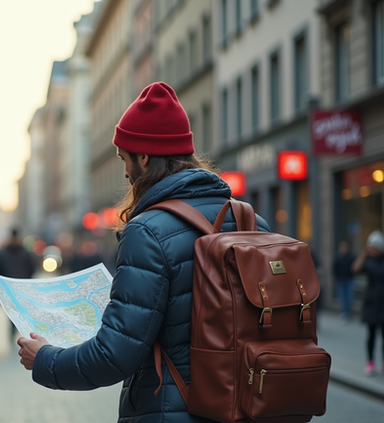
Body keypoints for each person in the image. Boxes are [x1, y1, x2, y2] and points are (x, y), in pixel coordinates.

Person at [17, 82, 270, 422]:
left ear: (145, 157)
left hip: (175, 410)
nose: (124, 171)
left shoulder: (147, 231)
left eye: (124, 158)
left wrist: (46, 359)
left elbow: (113, 355)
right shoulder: (251, 221)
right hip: (249, 406)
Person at [351, 230, 384, 377]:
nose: (371, 248)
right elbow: (355, 269)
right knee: (371, 334)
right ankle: (370, 362)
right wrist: (364, 253)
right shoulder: (368, 260)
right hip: (371, 301)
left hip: (383, 301)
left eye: (373, 246)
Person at [1, 228, 36, 337]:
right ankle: (16, 328)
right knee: (18, 309)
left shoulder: (4, 253)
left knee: (13, 309)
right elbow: (32, 269)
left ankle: (13, 328)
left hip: (10, 286)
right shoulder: (25, 253)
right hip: (20, 286)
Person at [334, 241, 356, 321]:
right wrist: (335, 278)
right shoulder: (337, 258)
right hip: (341, 279)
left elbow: (354, 268)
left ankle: (348, 312)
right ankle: (344, 312)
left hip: (349, 279)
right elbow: (335, 268)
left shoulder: (351, 257)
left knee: (349, 297)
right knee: (342, 297)